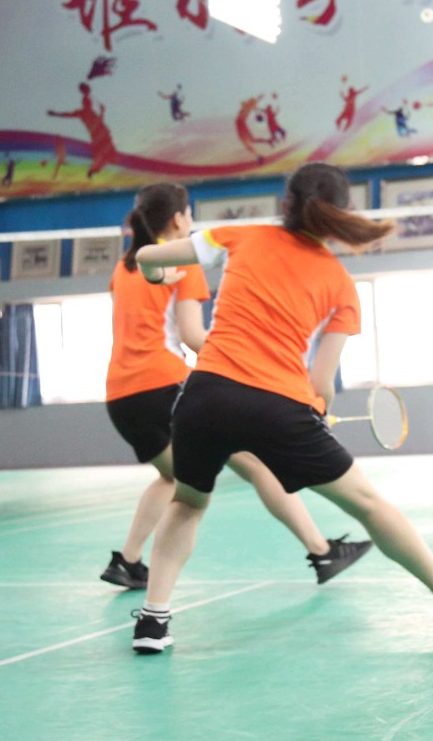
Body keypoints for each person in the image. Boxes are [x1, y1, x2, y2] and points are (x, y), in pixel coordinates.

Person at [130, 163, 433, 653]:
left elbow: (147, 256)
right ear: (342, 214)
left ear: (286, 204)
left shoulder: (242, 236)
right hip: (278, 406)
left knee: (188, 504)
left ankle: (153, 622)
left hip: (204, 397)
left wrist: (157, 273)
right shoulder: (341, 286)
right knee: (368, 504)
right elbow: (321, 383)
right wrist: (316, 410)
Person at [101, 182, 372, 595]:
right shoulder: (183, 265)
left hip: (121, 396)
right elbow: (192, 336)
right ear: (178, 219)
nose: (191, 219)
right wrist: (246, 359)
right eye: (189, 213)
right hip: (163, 383)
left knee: (173, 479)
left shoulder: (124, 269)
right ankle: (321, 551)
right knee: (257, 466)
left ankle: (129, 560)